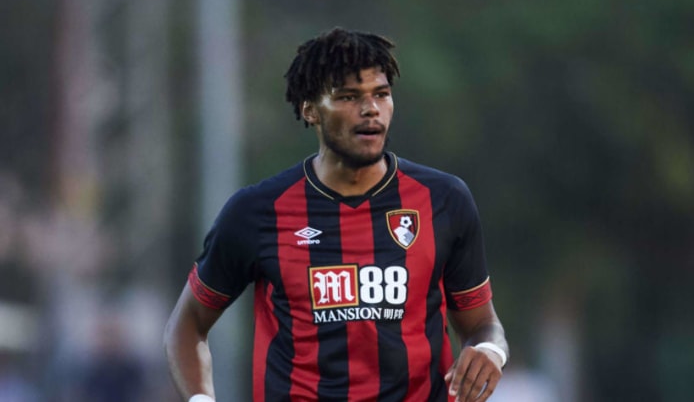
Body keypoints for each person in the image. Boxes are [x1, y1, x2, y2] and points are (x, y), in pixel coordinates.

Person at [164, 27, 509, 402]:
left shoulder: (444, 199)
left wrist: (491, 351)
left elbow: (482, 324)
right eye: (348, 96)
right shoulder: (257, 212)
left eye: (381, 94)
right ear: (309, 109)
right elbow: (188, 325)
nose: (370, 109)